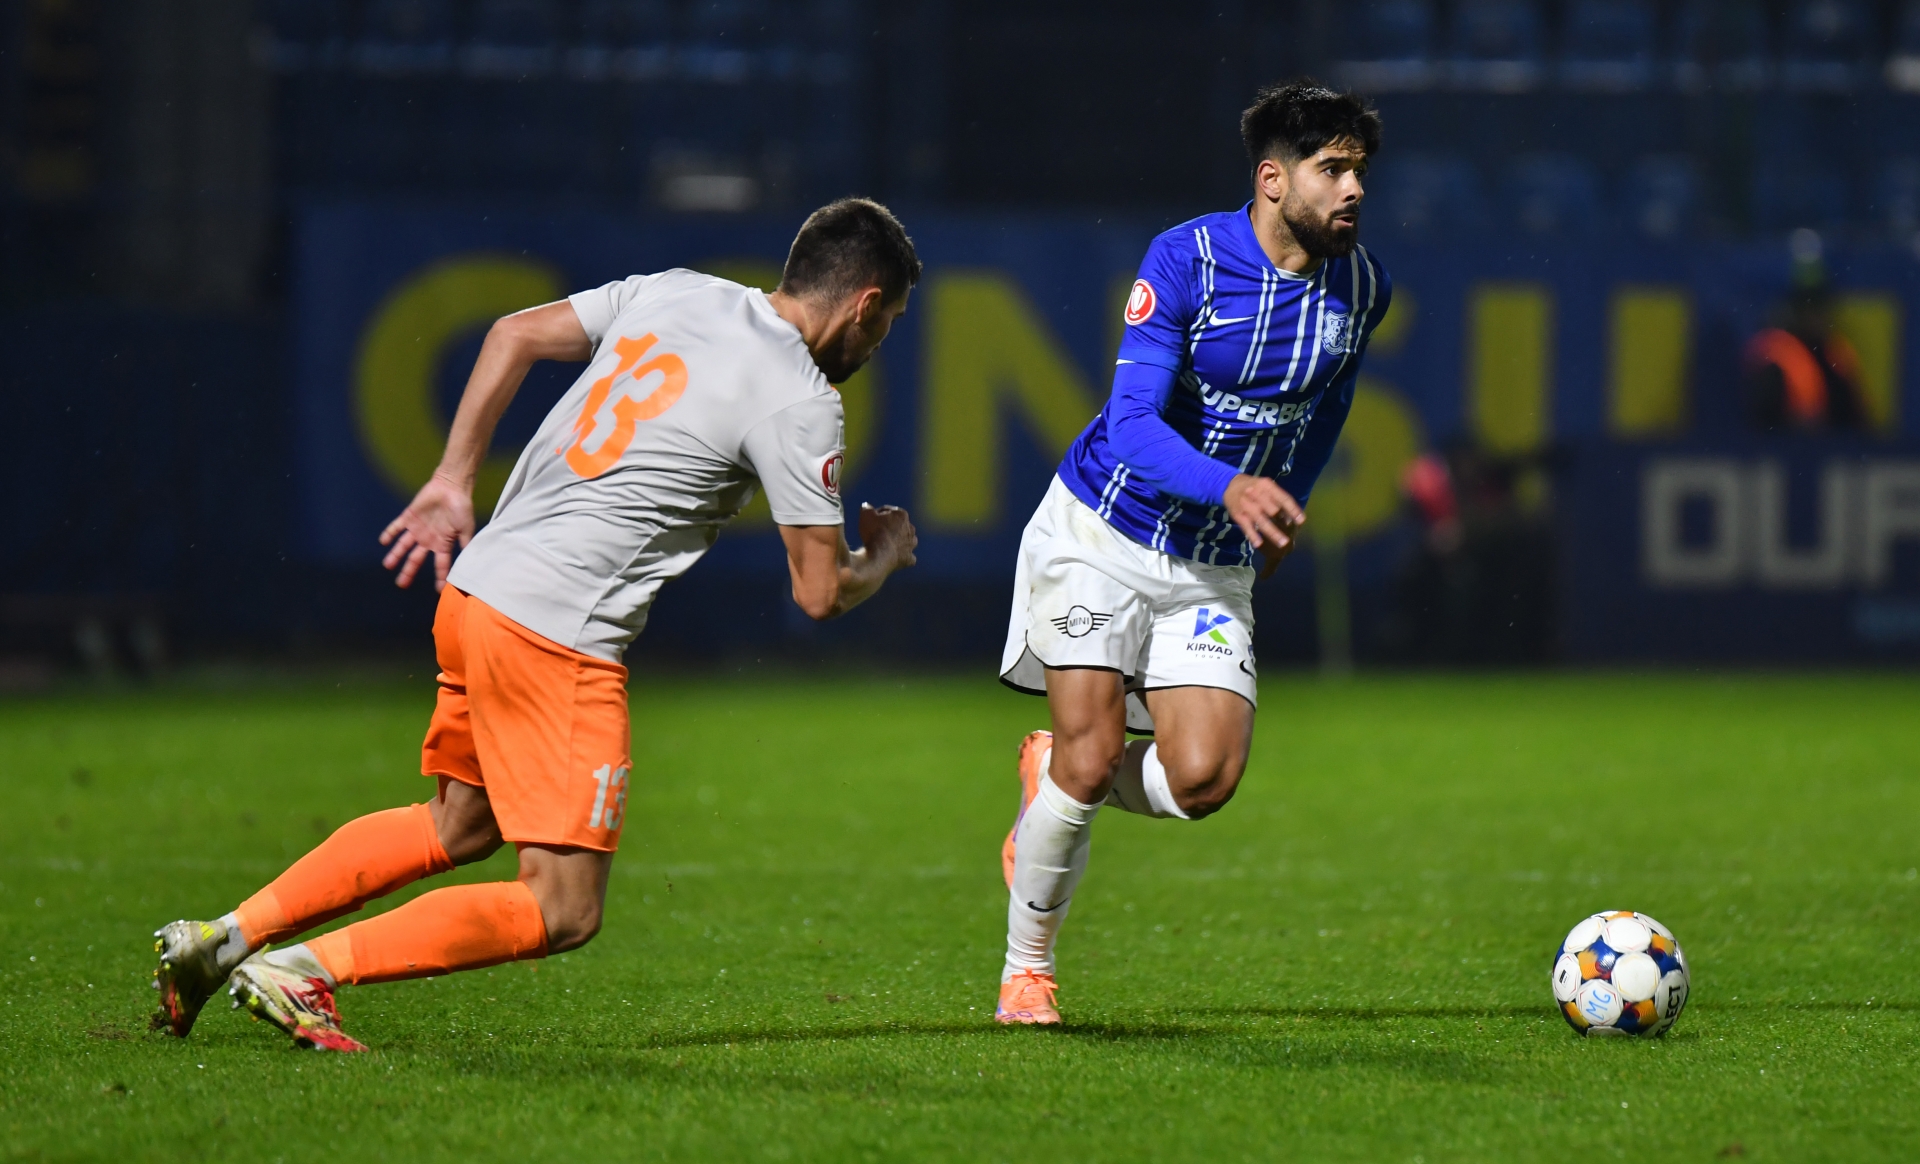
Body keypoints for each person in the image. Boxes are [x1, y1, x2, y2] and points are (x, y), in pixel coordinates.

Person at [149, 198, 922, 1051]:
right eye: (888, 322)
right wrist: (884, 556)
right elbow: (818, 592)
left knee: (459, 824)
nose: (879, 342)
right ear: (864, 304)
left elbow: (511, 333)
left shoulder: (680, 290)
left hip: (477, 593)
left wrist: (453, 479)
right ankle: (303, 969)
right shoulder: (798, 398)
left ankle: (220, 940)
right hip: (554, 633)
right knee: (564, 907)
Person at [992, 82, 1392, 1024]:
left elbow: (1329, 404)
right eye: (1332, 169)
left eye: (1360, 171)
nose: (1353, 190)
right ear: (1272, 179)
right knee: (1093, 758)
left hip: (1212, 562)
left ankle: (1056, 770)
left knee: (1204, 779)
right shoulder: (1187, 260)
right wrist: (1233, 487)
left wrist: (1286, 501)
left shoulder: (1363, 288)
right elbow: (1131, 424)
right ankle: (1027, 973)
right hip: (1102, 532)